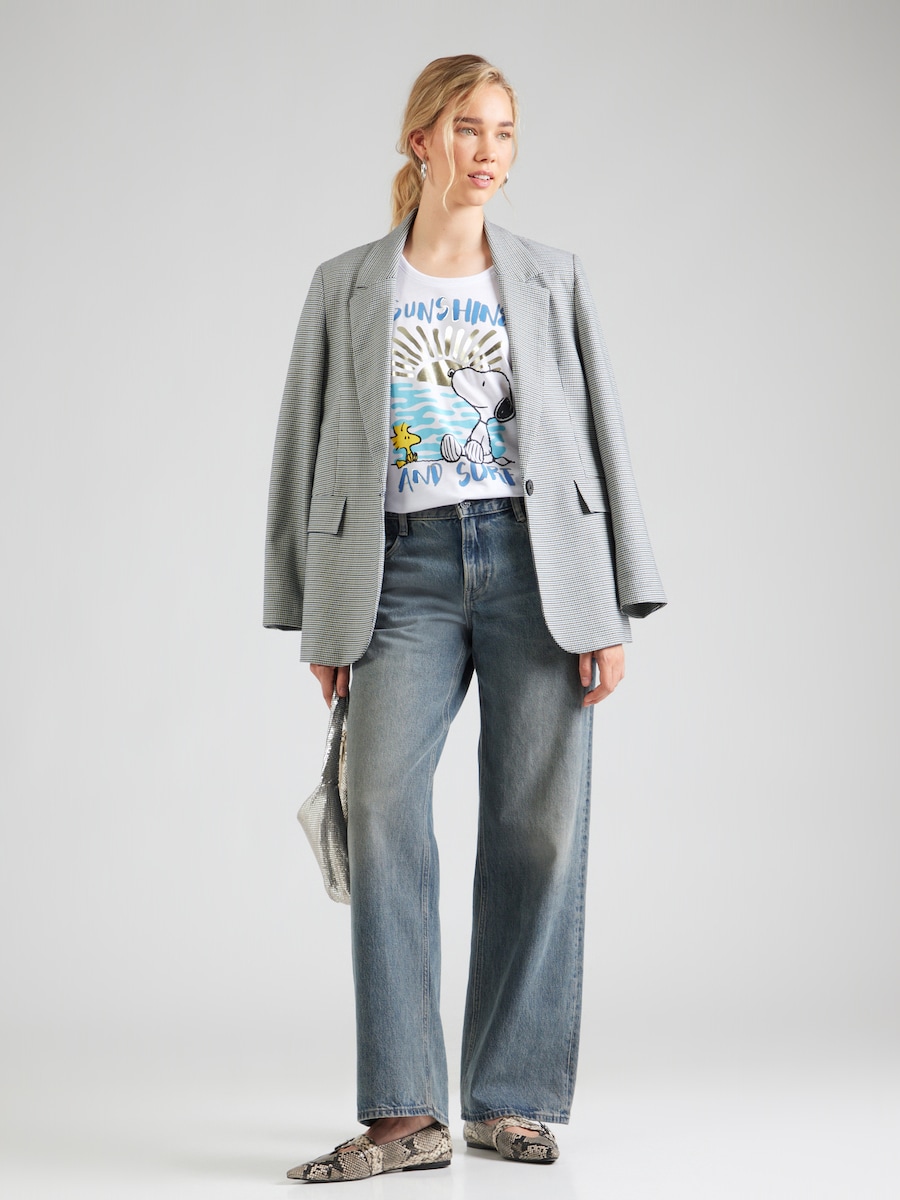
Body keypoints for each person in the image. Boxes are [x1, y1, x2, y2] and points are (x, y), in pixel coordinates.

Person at [264, 54, 666, 1183]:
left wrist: (614, 603)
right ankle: (406, 1115)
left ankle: (508, 1099)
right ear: (421, 141)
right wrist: (315, 619)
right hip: (400, 573)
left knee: (540, 827)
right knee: (382, 809)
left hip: (541, 565)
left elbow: (599, 431)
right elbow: (303, 445)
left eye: (503, 132)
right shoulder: (348, 284)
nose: (487, 152)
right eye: (466, 128)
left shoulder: (549, 276)